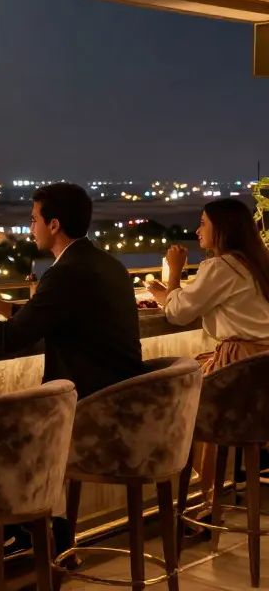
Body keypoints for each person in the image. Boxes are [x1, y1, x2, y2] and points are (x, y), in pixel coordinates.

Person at [0, 182, 149, 398]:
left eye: (34, 220)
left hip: (91, 405)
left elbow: (9, 339)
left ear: (54, 225)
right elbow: (57, 314)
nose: (31, 229)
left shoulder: (65, 272)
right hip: (127, 395)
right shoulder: (109, 263)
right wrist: (0, 307)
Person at [145, 198, 269, 511]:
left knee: (179, 391)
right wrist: (167, 294)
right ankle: (215, 491)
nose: (197, 230)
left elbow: (178, 313)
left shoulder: (221, 266)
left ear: (222, 228)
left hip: (241, 368)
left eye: (203, 223)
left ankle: (201, 494)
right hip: (261, 372)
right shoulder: (257, 263)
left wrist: (174, 272)